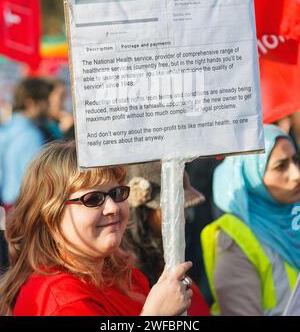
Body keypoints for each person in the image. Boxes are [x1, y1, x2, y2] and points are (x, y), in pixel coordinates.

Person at [0, 140, 193, 316]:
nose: (113, 207)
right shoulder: (64, 301)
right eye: (93, 199)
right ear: (51, 215)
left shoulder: (122, 276)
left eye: (117, 193)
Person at [201, 124, 300, 316]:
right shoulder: (233, 240)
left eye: (296, 160)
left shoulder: (293, 214)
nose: (296, 174)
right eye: (281, 166)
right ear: (251, 176)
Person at [126, 162, 210, 316]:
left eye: (185, 210)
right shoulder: (129, 279)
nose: (183, 218)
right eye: (174, 210)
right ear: (144, 212)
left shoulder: (166, 266)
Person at [0, 78, 52, 207]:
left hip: (7, 205)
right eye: (45, 101)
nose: (48, 106)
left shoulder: (5, 130)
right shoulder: (31, 135)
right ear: (30, 102)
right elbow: (38, 182)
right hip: (25, 205)